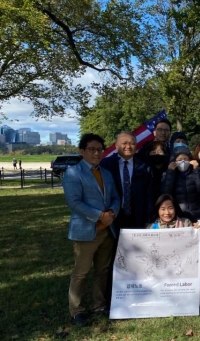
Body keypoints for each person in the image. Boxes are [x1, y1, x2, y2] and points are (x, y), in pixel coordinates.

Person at [62, 133, 120, 325]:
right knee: (81, 272)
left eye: (99, 149)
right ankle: (76, 310)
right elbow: (74, 202)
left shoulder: (106, 173)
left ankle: (99, 305)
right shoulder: (73, 173)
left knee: (102, 270)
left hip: (107, 230)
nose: (96, 153)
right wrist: (99, 215)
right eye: (92, 149)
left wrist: (112, 212)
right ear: (82, 151)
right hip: (85, 231)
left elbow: (115, 198)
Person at [100, 132, 152, 232]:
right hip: (113, 216)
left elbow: (149, 195)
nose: (128, 146)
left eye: (132, 143)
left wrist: (148, 218)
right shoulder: (106, 165)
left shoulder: (144, 166)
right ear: (116, 145)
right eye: (124, 143)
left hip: (137, 216)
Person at [161, 147, 200, 221]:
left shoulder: (195, 173)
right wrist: (170, 172)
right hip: (179, 216)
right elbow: (166, 192)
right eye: (179, 160)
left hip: (197, 214)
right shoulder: (169, 174)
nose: (183, 161)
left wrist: (197, 169)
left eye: (185, 159)